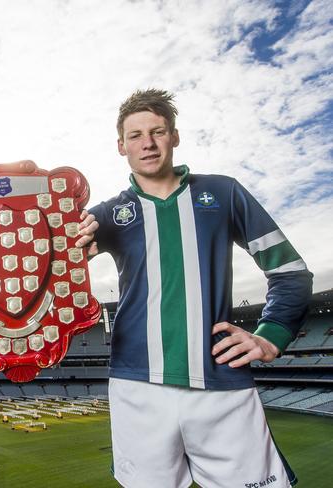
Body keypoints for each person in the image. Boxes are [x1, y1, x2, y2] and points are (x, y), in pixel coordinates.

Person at [87, 89, 312, 487]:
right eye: (136, 135)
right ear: (121, 146)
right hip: (137, 388)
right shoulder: (107, 215)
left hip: (222, 383)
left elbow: (290, 271)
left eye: (158, 131)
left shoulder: (223, 193)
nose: (148, 143)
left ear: (174, 136)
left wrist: (271, 333)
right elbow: (31, 257)